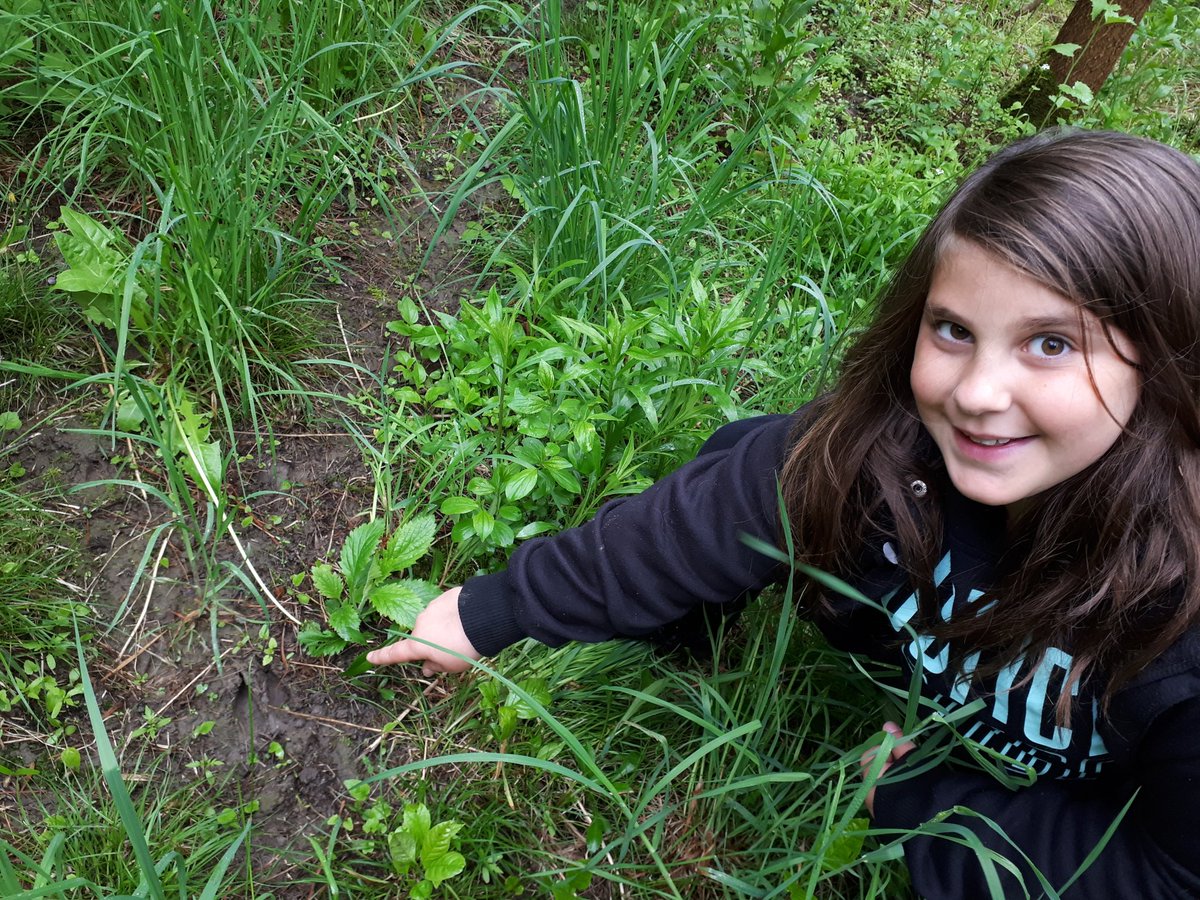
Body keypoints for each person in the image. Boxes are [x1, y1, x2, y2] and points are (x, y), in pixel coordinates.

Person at [367, 129, 1200, 898]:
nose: (977, 394)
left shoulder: (1182, 628)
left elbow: (1164, 875)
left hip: (1080, 775)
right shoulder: (889, 449)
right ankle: (691, 625)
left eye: (1050, 343)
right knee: (766, 455)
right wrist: (494, 611)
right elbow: (696, 522)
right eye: (952, 329)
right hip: (907, 634)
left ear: (1170, 360)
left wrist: (917, 803)